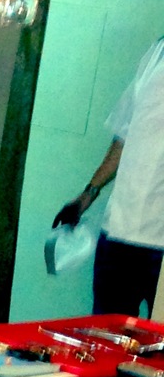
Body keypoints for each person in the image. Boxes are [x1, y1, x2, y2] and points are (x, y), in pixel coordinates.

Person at [54, 35, 164, 315]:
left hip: (160, 244)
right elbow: (123, 138)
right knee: (105, 334)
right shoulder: (156, 53)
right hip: (118, 234)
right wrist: (87, 195)